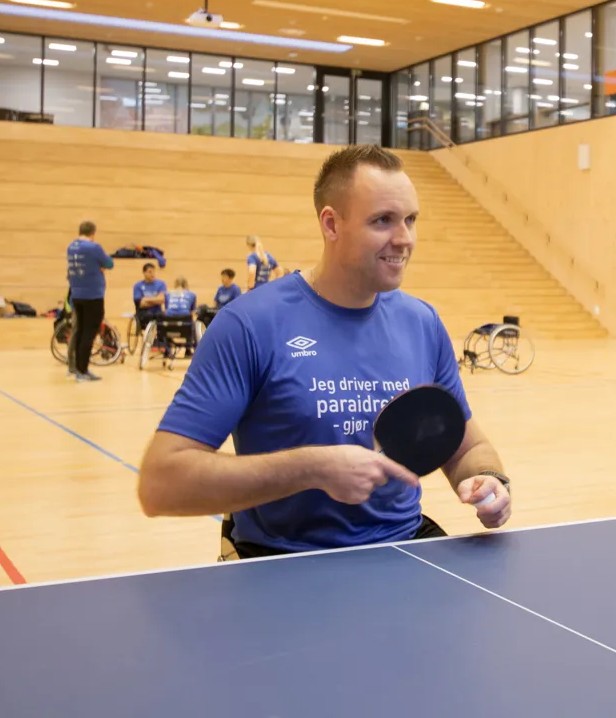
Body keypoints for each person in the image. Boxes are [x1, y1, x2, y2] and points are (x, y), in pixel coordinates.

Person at [139, 145, 511, 560]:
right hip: (281, 559)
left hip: (404, 546)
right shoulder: (248, 325)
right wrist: (312, 468)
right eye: (382, 220)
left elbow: (467, 448)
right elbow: (161, 485)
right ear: (331, 224)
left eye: (410, 219)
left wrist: (487, 480)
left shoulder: (422, 323)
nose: (404, 239)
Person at [65, 221, 113, 382]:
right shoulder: (94, 247)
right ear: (93, 233)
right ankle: (82, 370)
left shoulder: (71, 247)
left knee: (79, 332)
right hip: (93, 295)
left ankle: (77, 368)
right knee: (89, 333)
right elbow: (109, 263)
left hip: (76, 294)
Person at [132, 263, 167, 334]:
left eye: (154, 271)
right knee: (148, 316)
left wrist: (146, 299)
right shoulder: (138, 286)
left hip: (157, 312)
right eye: (150, 272)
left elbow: (162, 299)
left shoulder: (161, 284)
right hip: (143, 313)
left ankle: (162, 340)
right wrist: (156, 300)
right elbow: (141, 304)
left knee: (166, 316)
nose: (152, 274)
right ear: (144, 272)